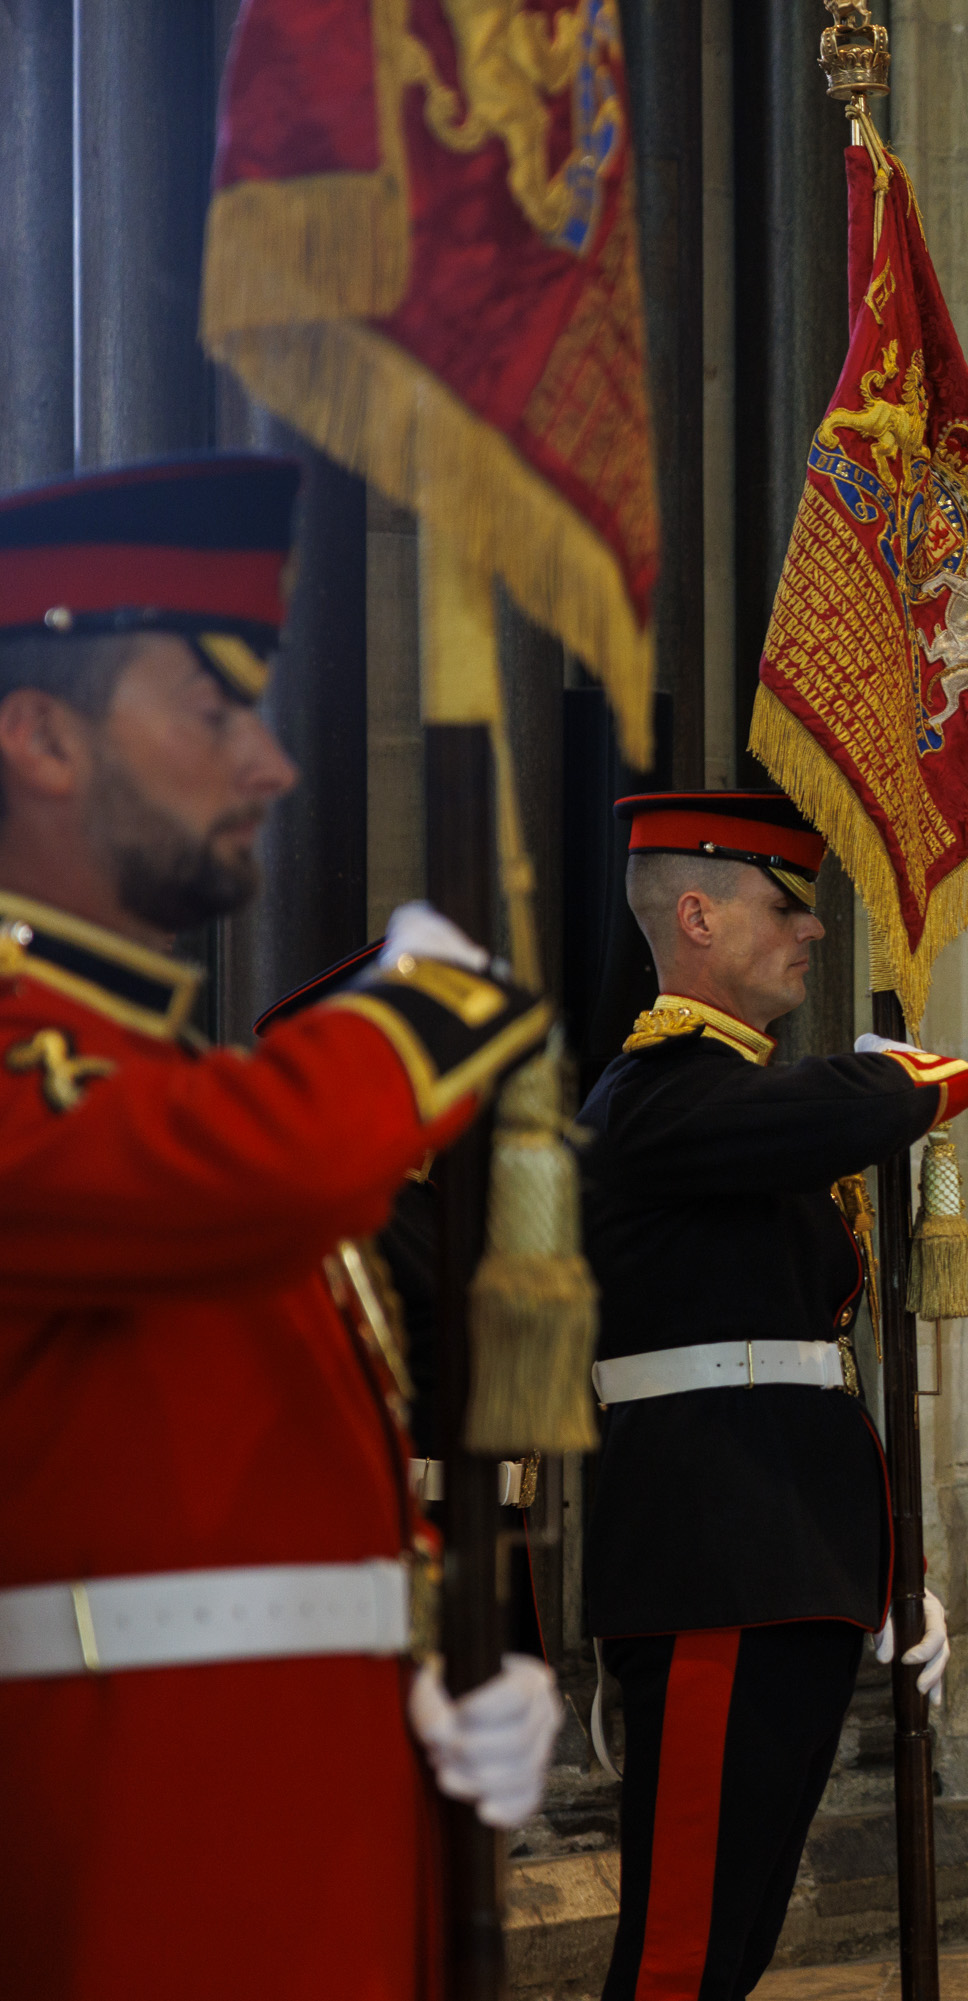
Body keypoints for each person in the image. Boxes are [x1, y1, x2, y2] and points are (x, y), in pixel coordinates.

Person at [0, 454, 563, 1997]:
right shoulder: (88, 1078)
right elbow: (251, 1179)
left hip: (319, 1835)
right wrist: (425, 1007)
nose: (274, 765)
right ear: (40, 735)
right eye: (213, 711)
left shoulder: (170, 1071)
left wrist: (433, 1644)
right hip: (135, 1859)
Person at [583, 791, 968, 2001]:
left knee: (735, 1940)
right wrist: (914, 1073)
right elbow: (837, 1108)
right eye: (783, 908)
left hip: (787, 1562)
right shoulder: (660, 1093)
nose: (811, 934)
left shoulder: (738, 1101)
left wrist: (891, 1571)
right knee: (681, 1953)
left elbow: (819, 1372)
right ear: (695, 916)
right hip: (717, 1562)